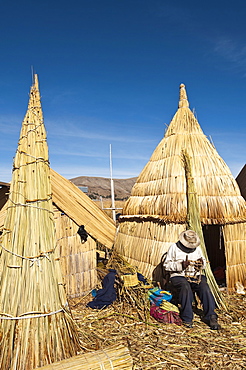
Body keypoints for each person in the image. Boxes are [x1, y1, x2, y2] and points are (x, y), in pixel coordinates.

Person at [163, 230, 221, 329]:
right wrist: (180, 265)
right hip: (178, 275)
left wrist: (201, 264)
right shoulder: (174, 248)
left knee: (204, 287)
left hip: (195, 275)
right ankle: (187, 318)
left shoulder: (197, 249)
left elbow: (204, 263)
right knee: (185, 287)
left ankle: (211, 316)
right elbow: (166, 265)